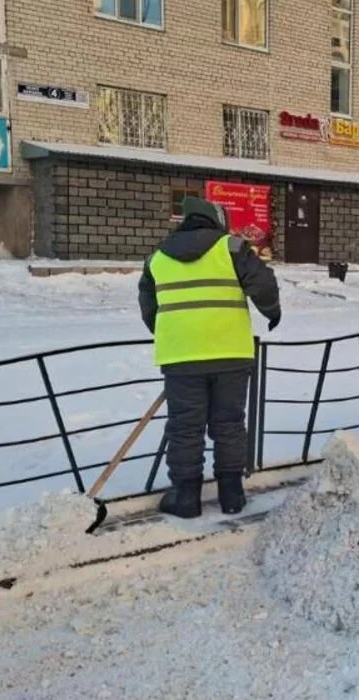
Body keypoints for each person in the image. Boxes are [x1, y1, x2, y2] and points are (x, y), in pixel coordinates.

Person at [137, 196, 282, 519]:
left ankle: (185, 497)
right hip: (231, 353)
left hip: (181, 357)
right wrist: (272, 312)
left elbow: (149, 307)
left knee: (185, 427)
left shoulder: (158, 256)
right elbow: (263, 283)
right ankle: (232, 495)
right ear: (216, 220)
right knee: (229, 424)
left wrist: (173, 333)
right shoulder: (231, 248)